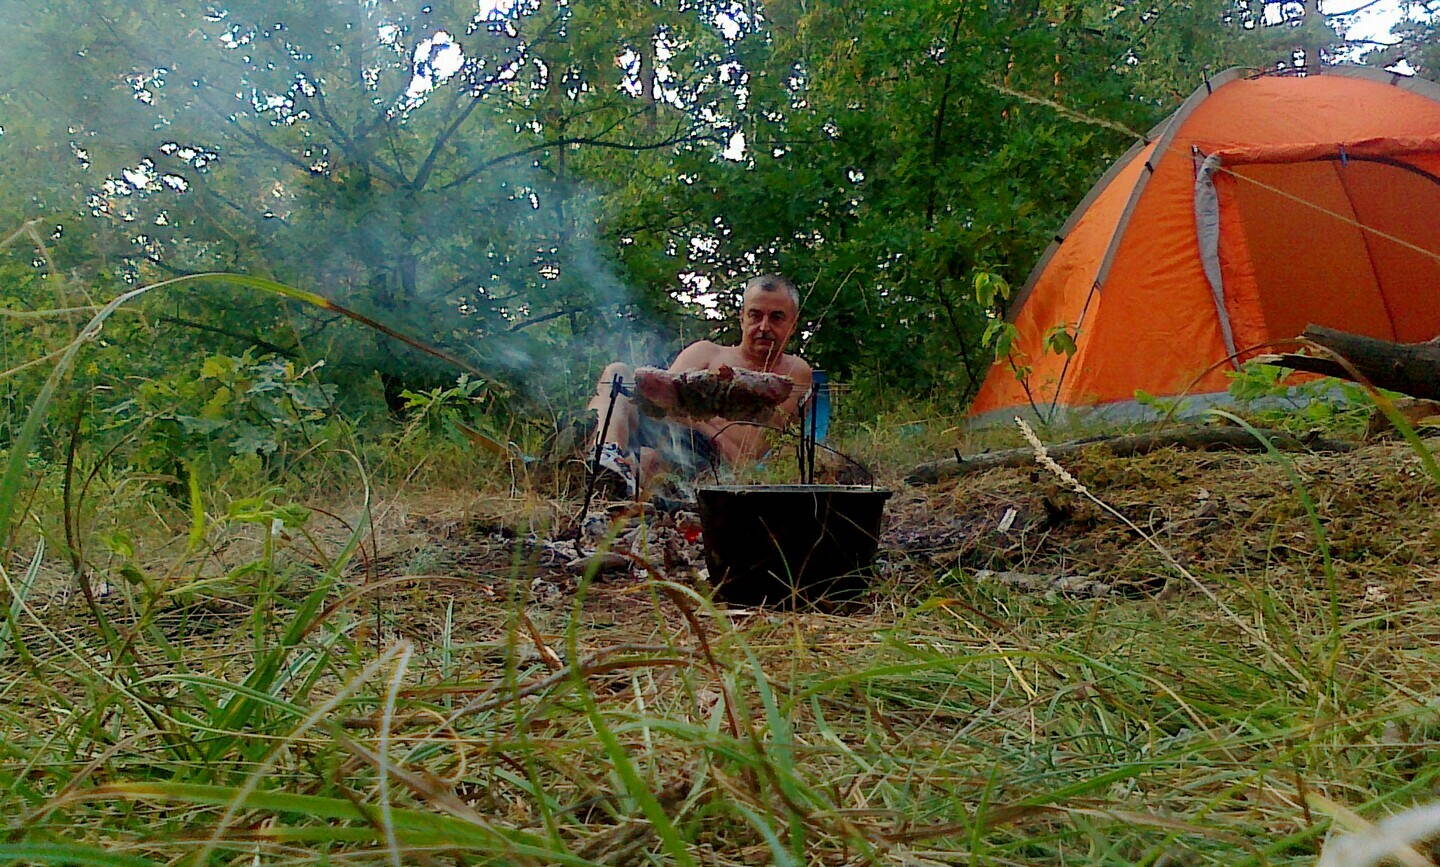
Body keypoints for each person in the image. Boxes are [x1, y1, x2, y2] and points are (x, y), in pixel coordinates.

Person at [585, 274, 814, 495]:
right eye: (755, 315)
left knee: (648, 458)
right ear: (742, 317)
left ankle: (614, 479)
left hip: (707, 458)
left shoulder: (794, 374)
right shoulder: (705, 352)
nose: (764, 327)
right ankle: (606, 454)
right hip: (658, 433)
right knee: (617, 372)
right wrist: (704, 421)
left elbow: (745, 455)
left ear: (793, 324)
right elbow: (659, 407)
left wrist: (697, 421)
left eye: (776, 317)